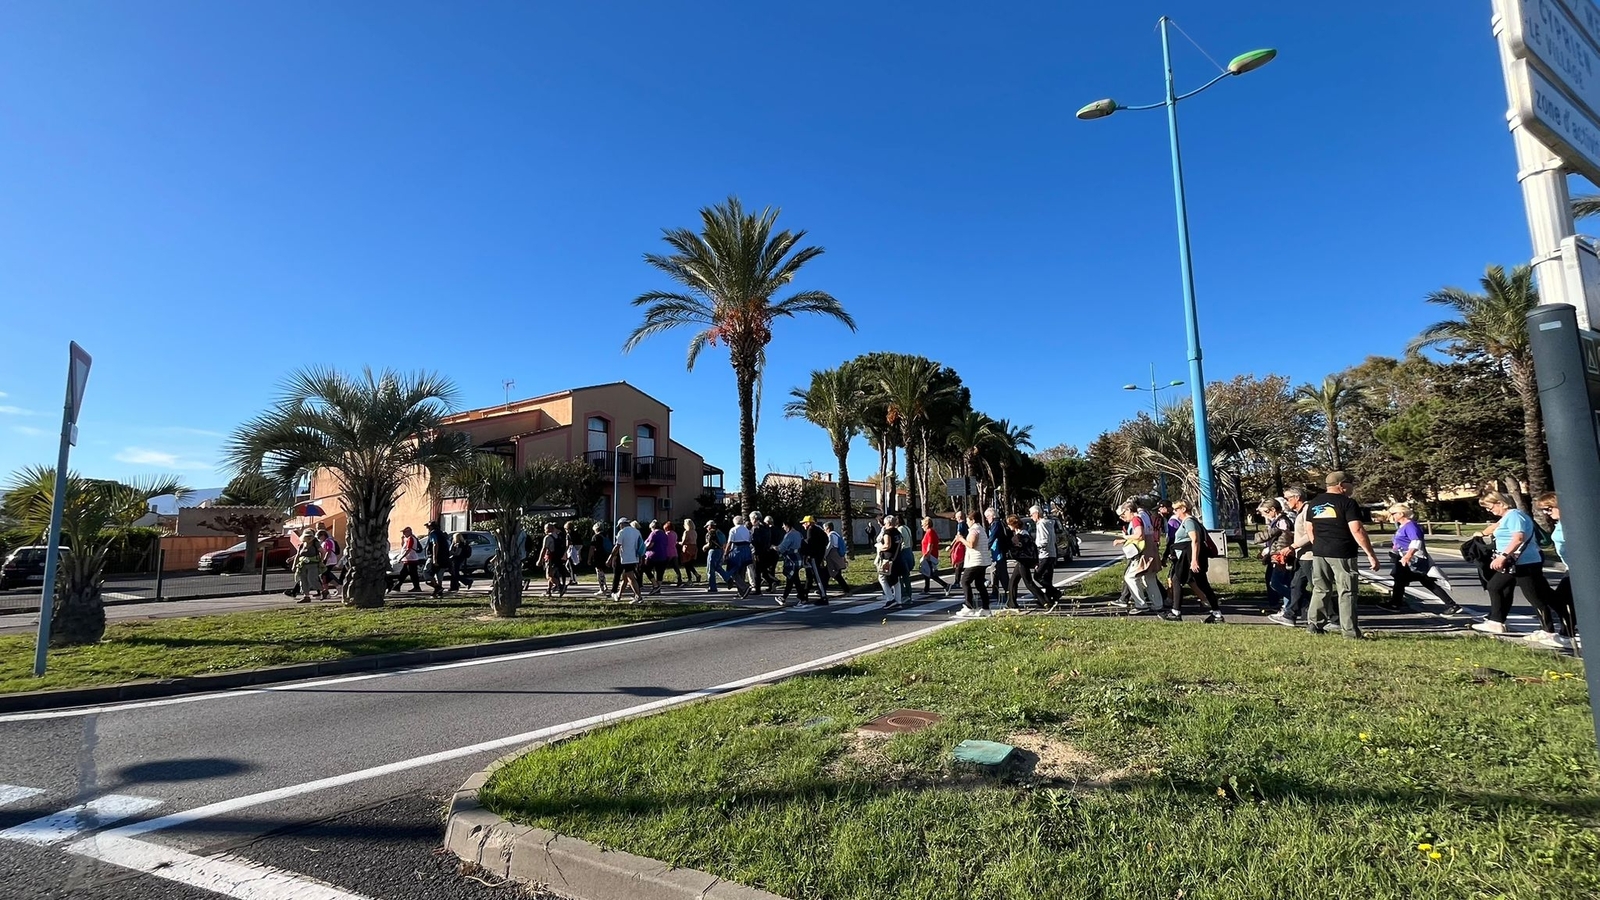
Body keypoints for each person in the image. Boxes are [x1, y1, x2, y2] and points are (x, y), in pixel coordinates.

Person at [1471, 492, 1565, 645]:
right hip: (1515, 563)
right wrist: (1481, 533)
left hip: (1525, 563)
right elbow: (1495, 528)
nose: (1489, 510)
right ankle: (1496, 622)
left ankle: (1548, 631)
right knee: (1495, 586)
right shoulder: (1507, 517)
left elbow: (1518, 538)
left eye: (1490, 507)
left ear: (1500, 503)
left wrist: (1503, 556)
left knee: (1536, 597)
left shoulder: (1515, 516)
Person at [1304, 472, 1381, 638]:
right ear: (1342, 485)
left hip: (1319, 552)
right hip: (1342, 552)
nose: (1353, 487)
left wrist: (1318, 544)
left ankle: (1314, 624)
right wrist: (1370, 554)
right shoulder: (1347, 503)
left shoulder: (1314, 502)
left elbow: (1309, 528)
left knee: (1321, 588)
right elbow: (1357, 529)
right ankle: (1350, 632)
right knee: (1347, 591)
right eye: (1351, 483)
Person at [1386, 503, 1466, 618]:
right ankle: (1395, 603)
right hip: (1404, 558)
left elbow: (1416, 542)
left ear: (1401, 513)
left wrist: (1408, 556)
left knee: (1416, 580)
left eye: (1393, 513)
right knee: (1406, 581)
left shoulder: (1411, 526)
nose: (1391, 516)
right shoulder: (1402, 526)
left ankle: (1395, 604)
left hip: (1414, 559)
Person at [1162, 500, 1222, 623]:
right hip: (1190, 556)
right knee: (1202, 584)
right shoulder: (1191, 521)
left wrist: (1194, 560)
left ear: (1183, 509)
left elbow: (1195, 540)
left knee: (1177, 580)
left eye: (1176, 509)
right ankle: (1217, 614)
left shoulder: (1188, 521)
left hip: (1189, 557)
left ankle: (1176, 613)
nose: (1174, 512)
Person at [1535, 491, 1579, 646]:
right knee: (1562, 600)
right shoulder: (1561, 523)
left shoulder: (1572, 523)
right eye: (1544, 510)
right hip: (1571, 567)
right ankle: (1568, 633)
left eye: (1548, 509)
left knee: (1560, 599)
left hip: (1578, 569)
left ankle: (1567, 634)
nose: (1546, 513)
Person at [1269, 487, 1315, 627]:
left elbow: (1310, 534)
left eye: (1288, 498)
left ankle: (1332, 616)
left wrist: (1292, 547)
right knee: (1296, 585)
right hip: (1301, 556)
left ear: (1297, 498)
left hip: (1309, 556)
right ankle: (1290, 615)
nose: (1286, 502)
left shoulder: (1307, 511)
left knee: (1317, 587)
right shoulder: (1299, 513)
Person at [1114, 501, 1165, 614]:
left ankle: (1141, 605)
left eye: (1123, 514)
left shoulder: (1136, 519)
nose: (1123, 518)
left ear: (1128, 510)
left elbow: (1139, 535)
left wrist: (1125, 537)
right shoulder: (1145, 516)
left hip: (1143, 552)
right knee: (1149, 578)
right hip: (1151, 549)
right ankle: (1158, 604)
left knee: (1130, 577)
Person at [1003, 514, 1047, 610]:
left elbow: (1023, 549)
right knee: (1013, 581)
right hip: (1022, 561)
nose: (1008, 526)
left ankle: (1045, 601)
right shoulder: (1023, 533)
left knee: (1029, 583)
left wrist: (1014, 546)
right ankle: (1011, 603)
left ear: (1013, 525)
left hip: (1023, 562)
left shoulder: (1020, 535)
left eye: (1009, 524)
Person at [1257, 500, 1294, 613]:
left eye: (1265, 512)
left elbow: (1283, 540)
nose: (1264, 515)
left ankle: (1297, 601)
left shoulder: (1282, 522)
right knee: (1283, 582)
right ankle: (1287, 607)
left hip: (1281, 556)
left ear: (1273, 509)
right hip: (1276, 555)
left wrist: (1275, 553)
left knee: (1276, 583)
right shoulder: (1276, 521)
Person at [954, 509, 992, 618]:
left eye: (968, 521)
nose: (967, 523)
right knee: (979, 584)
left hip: (975, 561)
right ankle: (986, 608)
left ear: (973, 520)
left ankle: (969, 607)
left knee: (965, 581)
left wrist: (961, 539)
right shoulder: (981, 529)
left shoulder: (974, 530)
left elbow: (971, 544)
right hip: (983, 560)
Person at [1029, 505, 1063, 606]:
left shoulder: (1041, 524)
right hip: (1051, 553)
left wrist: (1036, 546)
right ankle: (1048, 600)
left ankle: (1055, 592)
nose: (1031, 517)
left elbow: (1044, 540)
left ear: (1036, 514)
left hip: (1044, 554)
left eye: (1031, 514)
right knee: (1047, 578)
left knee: (1037, 576)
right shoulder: (1049, 523)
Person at [611, 517, 644, 603]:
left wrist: (610, 557)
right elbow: (640, 545)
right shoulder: (636, 532)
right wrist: (640, 558)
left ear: (621, 524)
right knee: (625, 578)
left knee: (630, 578)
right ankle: (619, 595)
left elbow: (617, 546)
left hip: (626, 558)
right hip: (635, 558)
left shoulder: (622, 532)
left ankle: (638, 596)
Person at [875, 520, 906, 609]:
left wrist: (879, 547)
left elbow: (887, 545)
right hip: (897, 558)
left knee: (882, 577)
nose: (884, 525)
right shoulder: (898, 532)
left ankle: (890, 599)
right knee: (896, 580)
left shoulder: (888, 532)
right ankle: (898, 600)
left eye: (885, 523)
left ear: (888, 523)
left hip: (888, 559)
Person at [918, 517, 952, 596]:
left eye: (922, 525)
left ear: (927, 525)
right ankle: (926, 589)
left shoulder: (930, 532)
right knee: (925, 572)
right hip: (929, 555)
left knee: (930, 573)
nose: (922, 527)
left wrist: (926, 555)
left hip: (930, 556)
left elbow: (930, 545)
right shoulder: (929, 532)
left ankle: (945, 585)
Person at [800, 516, 831, 603]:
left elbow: (809, 543)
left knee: (817, 577)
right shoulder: (819, 529)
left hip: (814, 557)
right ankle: (805, 594)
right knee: (811, 576)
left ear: (808, 523)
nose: (803, 525)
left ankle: (823, 597)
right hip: (819, 555)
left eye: (804, 523)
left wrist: (806, 552)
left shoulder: (811, 530)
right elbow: (826, 540)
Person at [983, 509, 1008, 607]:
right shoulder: (997, 523)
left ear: (992, 516)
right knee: (995, 572)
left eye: (987, 517)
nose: (986, 519)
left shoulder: (996, 524)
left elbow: (992, 537)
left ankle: (1007, 592)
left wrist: (985, 548)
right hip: (996, 552)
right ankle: (995, 592)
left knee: (1002, 573)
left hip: (999, 553)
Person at [776, 520, 805, 605]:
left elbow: (782, 547)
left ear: (787, 525)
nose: (783, 527)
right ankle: (785, 597)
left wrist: (774, 548)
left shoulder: (789, 535)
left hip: (791, 559)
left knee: (793, 578)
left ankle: (802, 597)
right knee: (793, 578)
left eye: (783, 525)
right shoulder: (799, 534)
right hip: (798, 558)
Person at [293, 529, 324, 602]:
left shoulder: (315, 544)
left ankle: (323, 591)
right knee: (303, 580)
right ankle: (306, 596)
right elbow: (298, 555)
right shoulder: (302, 545)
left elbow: (322, 552)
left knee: (312, 579)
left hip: (313, 564)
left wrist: (321, 561)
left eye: (310, 536)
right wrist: (294, 565)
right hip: (303, 565)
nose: (309, 538)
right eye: (307, 536)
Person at [727, 515, 754, 597]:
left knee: (732, 570)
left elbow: (729, 542)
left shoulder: (733, 530)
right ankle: (741, 592)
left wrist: (725, 553)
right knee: (742, 571)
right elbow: (749, 540)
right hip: (746, 551)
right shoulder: (747, 530)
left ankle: (744, 587)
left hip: (737, 551)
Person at [539, 523, 567, 597]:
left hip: (550, 558)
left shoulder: (547, 537)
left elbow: (544, 549)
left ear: (549, 529)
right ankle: (549, 590)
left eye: (545, 529)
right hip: (557, 558)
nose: (544, 530)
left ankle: (560, 586)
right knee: (552, 574)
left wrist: (539, 560)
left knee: (548, 576)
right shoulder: (557, 536)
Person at [395, 526, 425, 592]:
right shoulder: (407, 539)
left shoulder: (411, 538)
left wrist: (402, 557)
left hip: (411, 559)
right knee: (403, 574)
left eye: (405, 532)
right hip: (408, 560)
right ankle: (397, 586)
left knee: (412, 574)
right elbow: (404, 547)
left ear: (409, 532)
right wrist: (402, 540)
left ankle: (416, 587)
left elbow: (409, 549)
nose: (403, 534)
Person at [823, 522, 850, 594]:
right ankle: (823, 589)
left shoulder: (830, 535)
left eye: (824, 529)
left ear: (828, 528)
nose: (824, 531)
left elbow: (830, 545)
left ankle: (846, 589)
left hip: (832, 555)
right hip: (837, 555)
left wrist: (824, 555)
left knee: (834, 573)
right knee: (827, 573)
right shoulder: (836, 534)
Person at [317, 528, 343, 599]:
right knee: (326, 575)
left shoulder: (328, 541)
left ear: (323, 535)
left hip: (329, 561)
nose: (319, 538)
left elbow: (328, 552)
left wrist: (324, 560)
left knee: (324, 575)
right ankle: (337, 586)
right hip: (330, 560)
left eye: (319, 536)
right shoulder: (326, 541)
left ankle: (331, 589)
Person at [586, 523, 610, 593]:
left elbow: (592, 548)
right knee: (602, 571)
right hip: (606, 555)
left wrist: (589, 559)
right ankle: (604, 586)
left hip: (598, 556)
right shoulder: (605, 535)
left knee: (599, 572)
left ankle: (602, 588)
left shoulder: (595, 537)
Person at [663, 520, 684, 586]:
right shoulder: (675, 534)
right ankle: (679, 580)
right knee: (676, 567)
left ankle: (659, 579)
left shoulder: (667, 534)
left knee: (663, 567)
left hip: (668, 551)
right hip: (674, 551)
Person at [680, 518, 701, 584]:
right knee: (690, 564)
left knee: (686, 564)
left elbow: (683, 542)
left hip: (687, 548)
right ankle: (696, 575)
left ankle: (690, 579)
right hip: (694, 548)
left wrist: (678, 543)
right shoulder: (694, 532)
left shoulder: (686, 532)